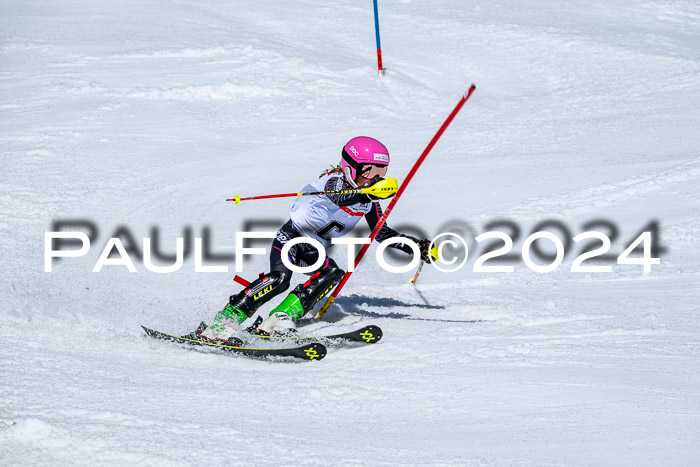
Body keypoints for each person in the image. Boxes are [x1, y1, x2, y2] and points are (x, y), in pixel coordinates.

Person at [199, 136, 437, 342]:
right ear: (350, 168)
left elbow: (382, 234)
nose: (375, 178)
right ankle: (226, 319)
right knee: (280, 279)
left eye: (381, 173)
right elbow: (340, 197)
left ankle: (279, 319)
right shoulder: (332, 182)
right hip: (291, 239)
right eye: (369, 172)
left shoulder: (369, 200)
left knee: (331, 273)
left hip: (313, 249)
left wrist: (417, 248)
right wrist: (365, 192)